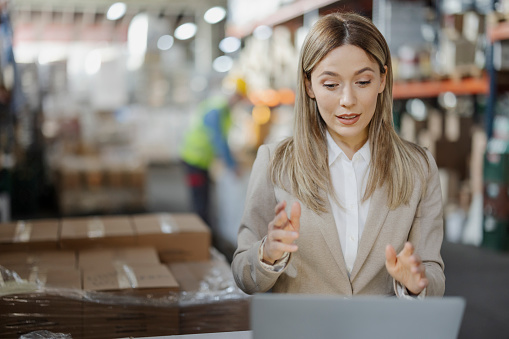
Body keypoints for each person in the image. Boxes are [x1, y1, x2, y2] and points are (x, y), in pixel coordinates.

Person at [231, 12, 445, 298]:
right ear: (309, 86)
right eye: (331, 85)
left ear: (383, 79)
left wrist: (417, 284)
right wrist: (267, 254)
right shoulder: (275, 162)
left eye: (363, 82)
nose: (347, 100)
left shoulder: (418, 167)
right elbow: (243, 274)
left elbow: (432, 271)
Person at [180, 78, 246, 225]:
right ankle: (199, 237)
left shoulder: (224, 110)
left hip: (201, 160)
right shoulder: (217, 109)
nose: (239, 102)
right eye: (239, 97)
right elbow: (219, 140)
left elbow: (222, 140)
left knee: (205, 198)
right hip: (194, 159)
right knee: (200, 201)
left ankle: (203, 233)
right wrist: (232, 165)